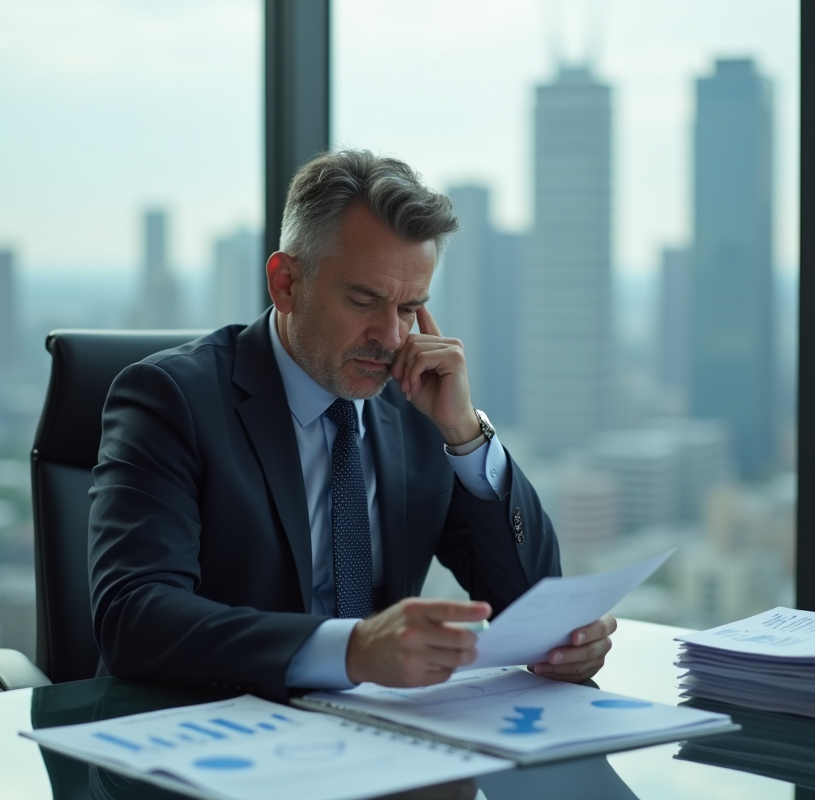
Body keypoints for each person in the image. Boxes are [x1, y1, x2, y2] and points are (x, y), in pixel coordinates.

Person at [88, 150, 617, 702]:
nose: (391, 337)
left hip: (378, 742)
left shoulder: (418, 408)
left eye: (410, 308)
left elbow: (530, 605)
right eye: (365, 300)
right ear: (286, 283)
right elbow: (134, 616)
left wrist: (466, 434)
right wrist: (351, 649)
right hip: (199, 734)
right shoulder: (171, 399)